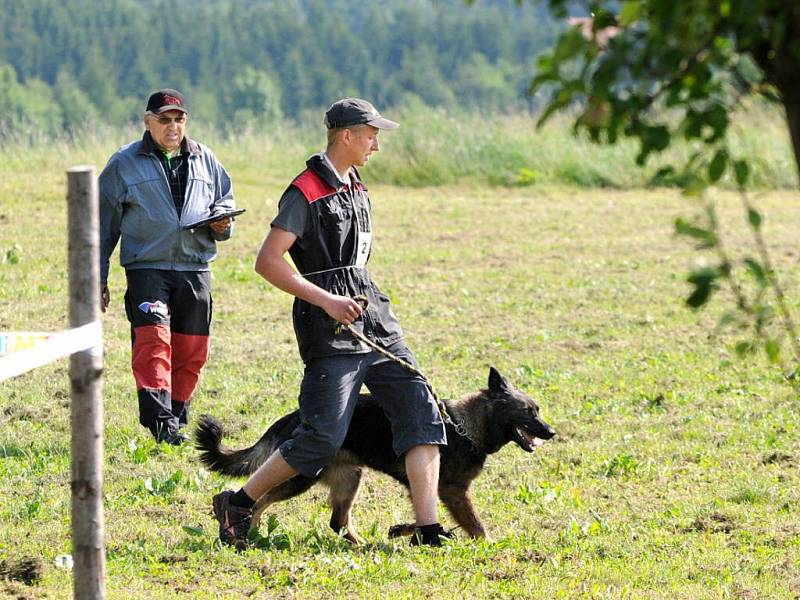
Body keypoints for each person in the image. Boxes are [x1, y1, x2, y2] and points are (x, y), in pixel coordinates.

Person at [212, 98, 449, 548]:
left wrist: (359, 302)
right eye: (371, 134)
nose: (377, 144)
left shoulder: (355, 184)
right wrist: (328, 301)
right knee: (322, 437)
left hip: (375, 319)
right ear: (346, 135)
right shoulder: (304, 190)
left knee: (422, 413)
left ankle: (428, 529)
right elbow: (267, 261)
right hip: (330, 327)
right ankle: (239, 502)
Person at [99, 88, 236, 445]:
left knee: (192, 349)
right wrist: (96, 278)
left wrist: (224, 224)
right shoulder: (123, 164)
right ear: (148, 122)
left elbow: (225, 204)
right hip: (147, 268)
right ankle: (160, 422)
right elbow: (100, 227)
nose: (173, 126)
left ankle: (176, 417)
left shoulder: (207, 159)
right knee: (153, 343)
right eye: (164, 120)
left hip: (195, 268)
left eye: (179, 119)